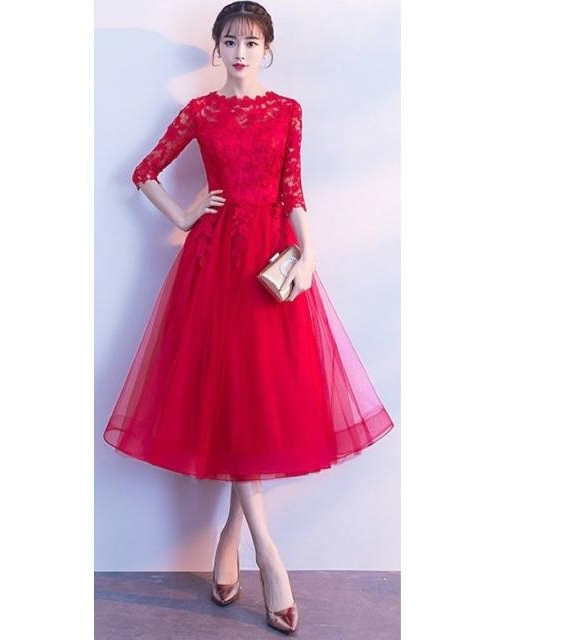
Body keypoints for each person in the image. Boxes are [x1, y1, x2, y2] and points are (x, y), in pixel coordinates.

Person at [102, 2, 395, 633]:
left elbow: (293, 192)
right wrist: (184, 216)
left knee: (252, 404)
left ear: (268, 49)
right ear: (217, 47)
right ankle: (269, 556)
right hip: (213, 267)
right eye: (230, 41)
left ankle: (228, 540)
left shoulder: (287, 111)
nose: (240, 52)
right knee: (235, 400)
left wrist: (309, 255)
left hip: (269, 265)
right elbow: (143, 172)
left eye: (252, 42)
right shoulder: (201, 111)